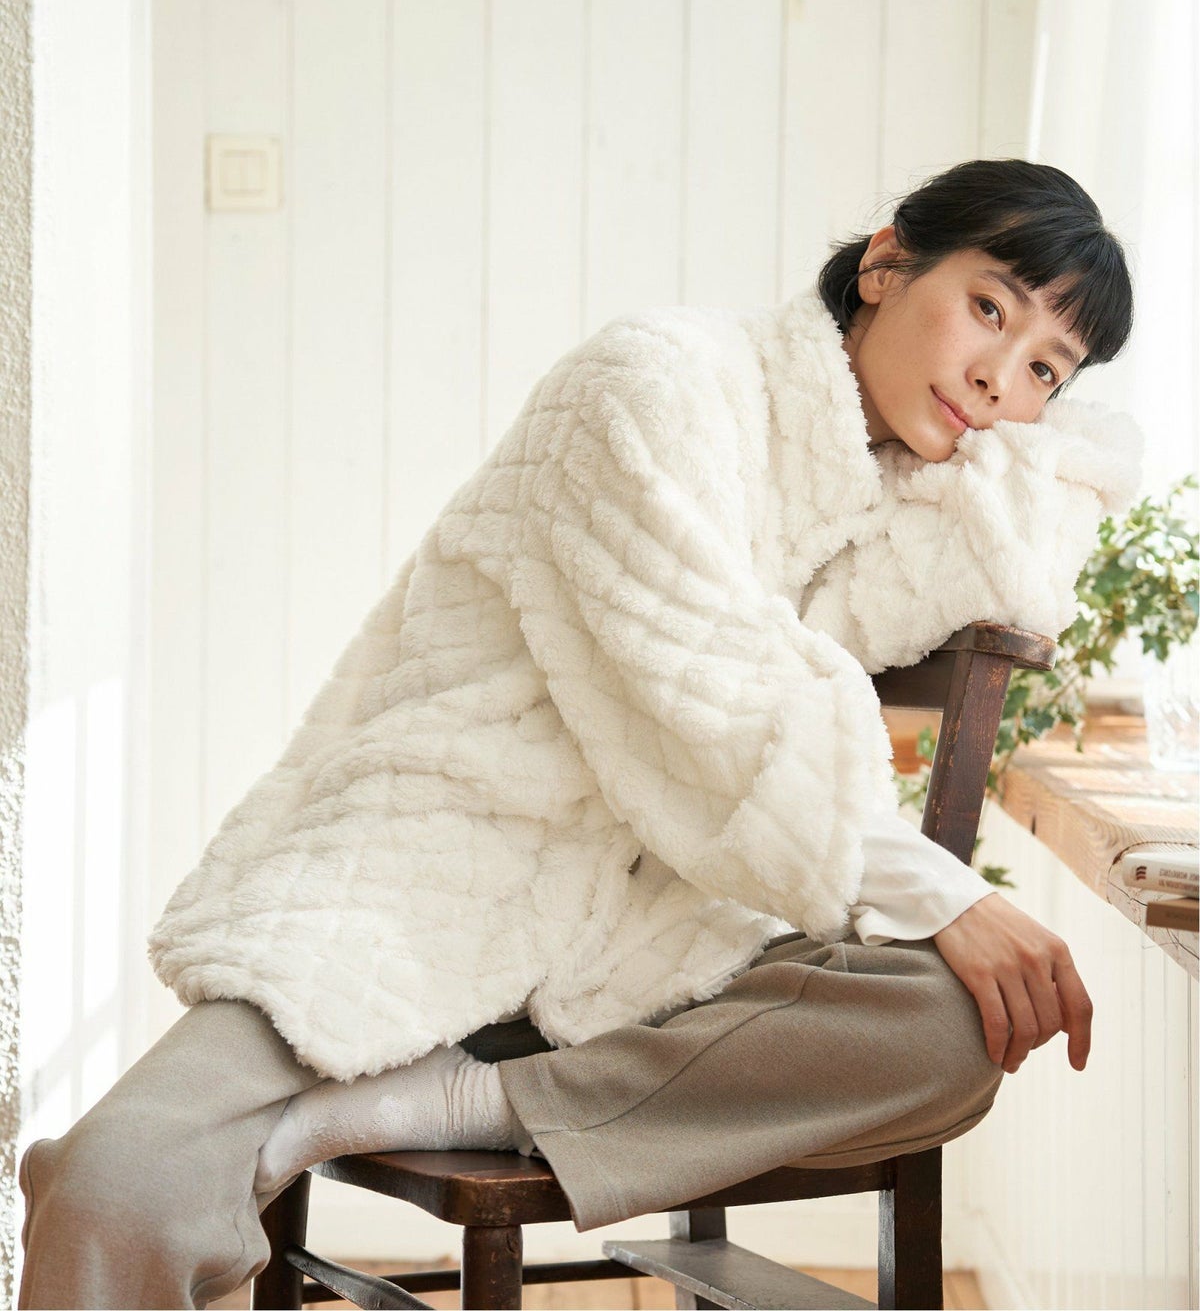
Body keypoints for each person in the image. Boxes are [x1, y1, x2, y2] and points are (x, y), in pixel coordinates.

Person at [17, 158, 1142, 1309]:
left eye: (1044, 370)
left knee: (956, 1029)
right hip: (434, 890)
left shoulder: (892, 511)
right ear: (886, 261)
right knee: (110, 1189)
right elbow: (715, 716)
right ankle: (392, 1090)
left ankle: (432, 1105)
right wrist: (952, 898)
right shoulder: (657, 379)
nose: (997, 379)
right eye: (988, 308)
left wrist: (1023, 416)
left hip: (662, 948)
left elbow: (1049, 507)